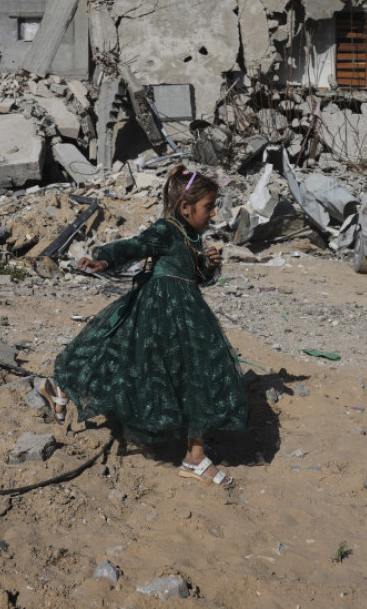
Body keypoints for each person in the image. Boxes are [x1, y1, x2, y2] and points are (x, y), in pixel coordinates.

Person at [40, 166, 248, 487]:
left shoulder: (192, 236)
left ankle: (194, 455)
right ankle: (62, 385)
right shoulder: (166, 229)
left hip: (186, 313)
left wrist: (206, 265)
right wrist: (105, 259)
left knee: (190, 373)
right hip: (159, 311)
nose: (213, 214)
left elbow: (193, 277)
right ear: (185, 207)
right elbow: (135, 245)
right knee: (124, 358)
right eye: (208, 206)